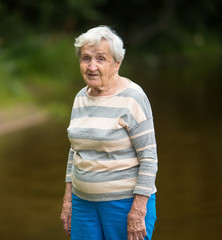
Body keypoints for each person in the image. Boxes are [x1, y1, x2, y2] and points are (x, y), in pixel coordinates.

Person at [60, 25, 158, 240]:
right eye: (86, 58)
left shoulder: (133, 98)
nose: (92, 66)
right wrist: (68, 201)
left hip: (124, 205)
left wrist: (138, 210)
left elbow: (149, 158)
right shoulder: (80, 97)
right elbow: (75, 151)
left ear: (117, 63)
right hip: (82, 204)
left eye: (101, 59)